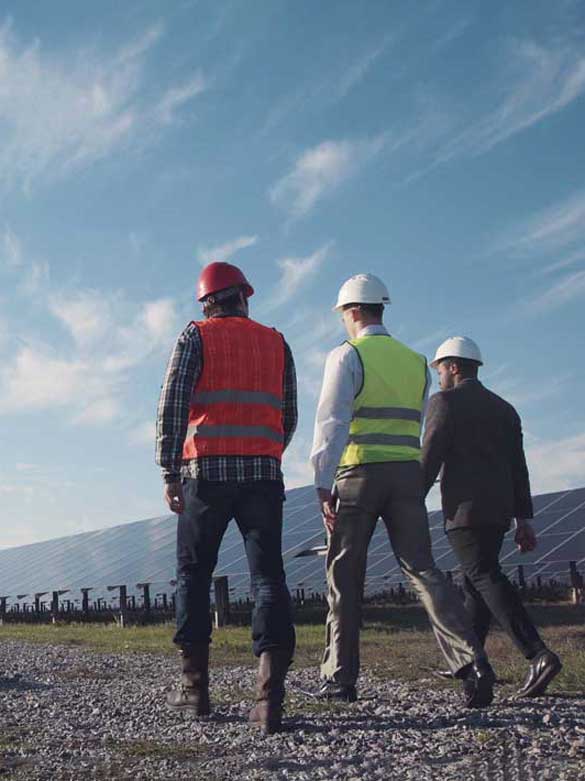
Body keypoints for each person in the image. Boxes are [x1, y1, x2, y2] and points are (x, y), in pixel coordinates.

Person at [310, 274, 495, 707]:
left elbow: (332, 423)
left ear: (352, 311)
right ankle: (473, 662)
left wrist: (322, 481)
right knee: (423, 570)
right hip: (406, 478)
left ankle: (340, 678)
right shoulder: (415, 362)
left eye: (342, 314)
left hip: (358, 476)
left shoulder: (347, 355)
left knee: (344, 575)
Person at [156, 260, 297, 734]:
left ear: (205, 302)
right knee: (268, 578)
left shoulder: (195, 336)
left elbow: (173, 403)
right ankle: (269, 699)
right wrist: (266, 452)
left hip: (205, 473)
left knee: (194, 574)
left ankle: (195, 691)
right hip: (262, 472)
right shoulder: (277, 342)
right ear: (244, 296)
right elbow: (289, 413)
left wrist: (168, 469)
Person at [421, 337, 562, 697]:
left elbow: (430, 456)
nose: (438, 377)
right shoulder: (505, 409)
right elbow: (519, 467)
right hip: (498, 512)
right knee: (475, 585)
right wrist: (523, 518)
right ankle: (472, 666)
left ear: (453, 367)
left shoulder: (444, 402)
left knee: (484, 576)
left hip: (464, 512)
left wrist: (408, 500)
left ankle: (538, 654)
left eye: (439, 369)